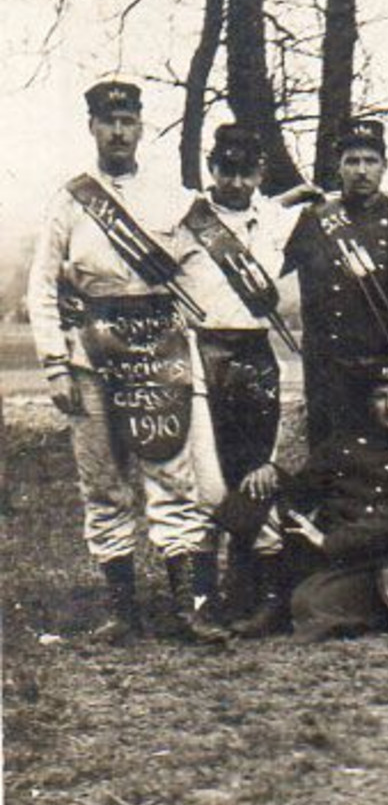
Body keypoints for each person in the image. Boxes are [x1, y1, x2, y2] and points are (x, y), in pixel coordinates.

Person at [27, 81, 224, 643]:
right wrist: (55, 364)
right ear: (91, 127)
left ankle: (187, 610)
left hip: (159, 353)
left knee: (172, 475)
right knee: (104, 481)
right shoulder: (70, 200)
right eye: (107, 121)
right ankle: (123, 613)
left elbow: (203, 270)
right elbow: (42, 285)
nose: (118, 131)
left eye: (127, 120)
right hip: (90, 354)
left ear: (141, 127)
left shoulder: (171, 196)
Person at [173, 123, 302, 637]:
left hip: (254, 351)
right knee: (206, 476)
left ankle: (256, 593)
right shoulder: (185, 221)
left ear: (259, 172)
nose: (235, 180)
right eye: (226, 168)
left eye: (246, 170)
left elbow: (325, 204)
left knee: (256, 472)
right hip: (203, 351)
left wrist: (300, 192)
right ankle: (203, 596)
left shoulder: (274, 218)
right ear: (212, 168)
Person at [282, 118, 388, 444]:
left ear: (384, 166)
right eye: (352, 161)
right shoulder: (315, 220)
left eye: (370, 161)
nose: (361, 170)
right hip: (328, 367)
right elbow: (269, 260)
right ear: (338, 167)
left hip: (385, 366)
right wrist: (283, 202)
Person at [277, 361, 388, 642]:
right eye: (380, 396)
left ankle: (364, 614)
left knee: (308, 603)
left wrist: (328, 542)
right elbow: (303, 487)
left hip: (374, 559)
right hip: (327, 552)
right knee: (256, 493)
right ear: (369, 402)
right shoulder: (345, 443)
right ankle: (255, 598)